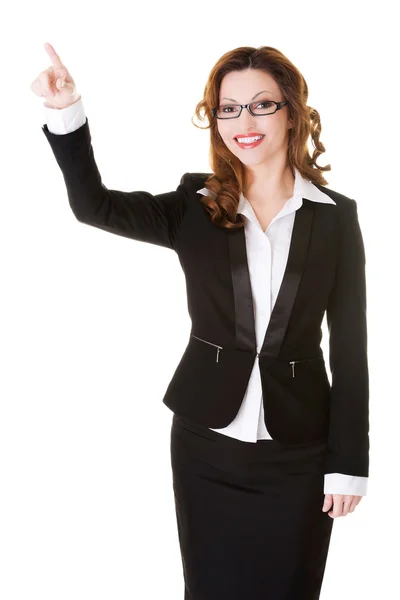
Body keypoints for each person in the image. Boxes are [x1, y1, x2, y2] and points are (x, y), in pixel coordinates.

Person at [31, 42, 369, 599]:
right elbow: (94, 206)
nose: (244, 121)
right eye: (228, 108)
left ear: (292, 111)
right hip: (206, 447)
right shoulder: (196, 205)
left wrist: (349, 462)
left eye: (261, 104)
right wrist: (66, 112)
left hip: (301, 453)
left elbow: (351, 348)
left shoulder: (336, 217)